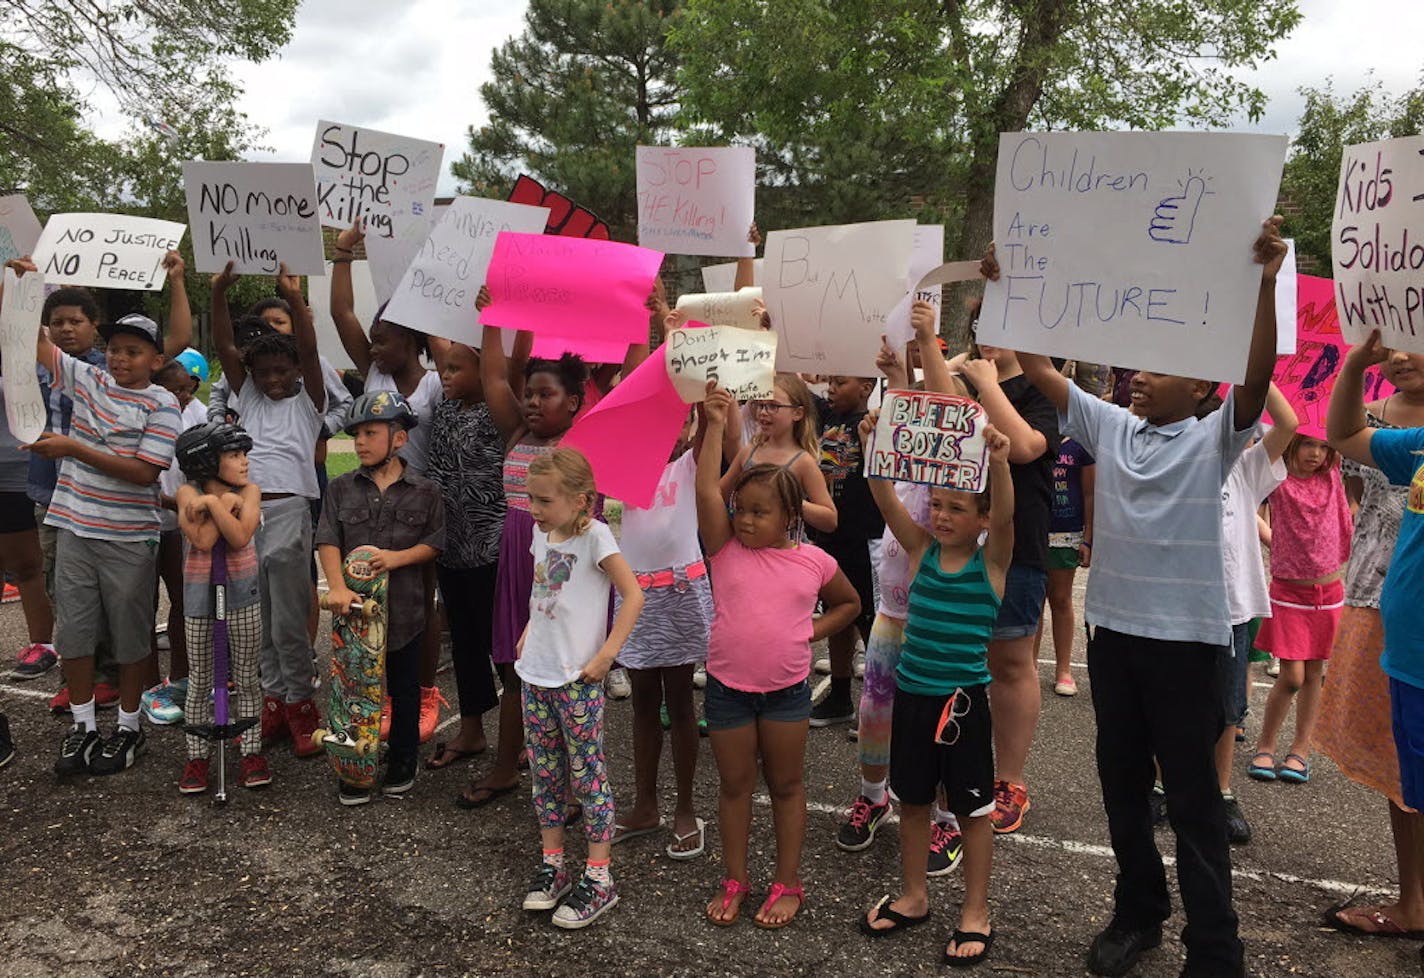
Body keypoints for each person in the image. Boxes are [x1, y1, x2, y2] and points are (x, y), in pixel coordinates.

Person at [1004, 217, 1286, 978]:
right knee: (1122, 788)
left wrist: (1263, 285)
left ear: (1202, 387)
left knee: (1193, 801)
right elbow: (1036, 365)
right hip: (1116, 638)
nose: (1139, 377)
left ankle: (1215, 948)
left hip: (1190, 644)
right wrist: (1013, 288)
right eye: (1137, 369)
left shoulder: (1217, 437)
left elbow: (1256, 380)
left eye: (1160, 369)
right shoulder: (1111, 425)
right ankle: (1139, 914)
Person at [10, 256, 182, 776]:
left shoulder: (163, 406)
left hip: (129, 538)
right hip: (73, 527)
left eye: (133, 352)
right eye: (115, 349)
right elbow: (34, 341)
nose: (120, 358)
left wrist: (73, 448)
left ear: (156, 360)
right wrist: (26, 285)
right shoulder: (88, 380)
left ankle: (129, 728)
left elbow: (144, 473)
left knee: (131, 639)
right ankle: (83, 726)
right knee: (76, 635)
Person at [697, 383, 861, 929]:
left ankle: (788, 880)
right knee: (735, 786)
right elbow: (706, 496)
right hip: (727, 690)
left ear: (790, 514)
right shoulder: (724, 548)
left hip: (787, 691)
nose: (744, 520)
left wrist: (809, 632)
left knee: (787, 786)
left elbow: (850, 604)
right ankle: (735, 878)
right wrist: (717, 425)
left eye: (758, 512)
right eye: (741, 510)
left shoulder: (812, 561)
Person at [857, 415, 1014, 969]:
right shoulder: (921, 548)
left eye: (957, 508)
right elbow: (886, 500)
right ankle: (914, 895)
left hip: (963, 704)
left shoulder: (990, 562)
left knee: (972, 811)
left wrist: (998, 460)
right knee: (914, 800)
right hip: (913, 697)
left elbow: (1009, 514)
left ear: (983, 519)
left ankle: (976, 910)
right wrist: (874, 447)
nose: (942, 516)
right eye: (938, 506)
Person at [458, 297, 591, 809]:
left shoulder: (583, 440)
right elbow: (494, 379)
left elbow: (627, 380)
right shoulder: (517, 430)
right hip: (517, 561)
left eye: (546, 394)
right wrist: (492, 318)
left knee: (564, 674)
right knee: (517, 666)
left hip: (563, 569)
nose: (533, 402)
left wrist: (647, 320)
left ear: (574, 402)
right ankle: (506, 766)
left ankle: (578, 785)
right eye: (530, 394)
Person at [331, 224, 449, 742]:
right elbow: (342, 315)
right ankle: (376, 690)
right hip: (376, 500)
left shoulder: (436, 381)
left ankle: (422, 693)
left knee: (422, 601)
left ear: (413, 340)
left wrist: (432, 285)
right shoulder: (373, 374)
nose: (375, 347)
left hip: (420, 499)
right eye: (374, 340)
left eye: (386, 339)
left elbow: (444, 342)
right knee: (375, 598)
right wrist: (342, 253)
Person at [516, 447, 643, 929]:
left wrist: (607, 655)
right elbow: (544, 591)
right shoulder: (539, 533)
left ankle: (599, 876)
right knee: (546, 775)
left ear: (581, 499)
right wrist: (530, 631)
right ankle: (553, 867)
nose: (535, 508)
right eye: (532, 498)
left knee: (588, 775)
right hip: (537, 673)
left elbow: (633, 595)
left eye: (545, 500)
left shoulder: (597, 538)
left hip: (576, 678)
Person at [1323, 333, 1424, 938]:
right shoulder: (1413, 444)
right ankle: (1414, 901)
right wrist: (1357, 365)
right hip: (1402, 634)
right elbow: (1344, 438)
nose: (1403, 356)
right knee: (1406, 770)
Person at [948, 299, 1060, 834]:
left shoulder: (1040, 385)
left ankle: (1010, 779)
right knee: (957, 657)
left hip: (1016, 545)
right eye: (981, 325)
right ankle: (962, 765)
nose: (986, 335)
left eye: (1000, 325)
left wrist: (986, 383)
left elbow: (1025, 446)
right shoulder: (964, 381)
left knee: (1011, 661)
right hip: (955, 540)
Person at [210, 262, 327, 757]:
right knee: (254, 617)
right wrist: (218, 294)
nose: (274, 379)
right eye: (264, 373)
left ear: (298, 369)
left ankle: (301, 703)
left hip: (288, 514)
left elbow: (312, 350)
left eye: (284, 370)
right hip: (244, 517)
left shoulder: (308, 402)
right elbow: (224, 348)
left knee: (288, 619)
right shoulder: (250, 398)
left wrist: (294, 300)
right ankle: (272, 699)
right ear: (250, 379)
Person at [317, 392, 445, 804]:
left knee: (405, 690)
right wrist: (336, 586)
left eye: (371, 433)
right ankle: (353, 764)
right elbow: (328, 539)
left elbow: (434, 544)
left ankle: (403, 757)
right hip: (354, 618)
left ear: (399, 439)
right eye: (356, 435)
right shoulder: (340, 489)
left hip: (405, 612)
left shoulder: (426, 491)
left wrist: (397, 558)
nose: (360, 442)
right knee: (352, 690)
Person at [610, 405, 722, 859]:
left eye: (679, 422)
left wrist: (707, 411)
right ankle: (645, 805)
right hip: (638, 595)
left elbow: (709, 428)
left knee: (679, 704)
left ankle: (686, 808)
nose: (668, 432)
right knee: (641, 704)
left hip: (679, 593)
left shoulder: (689, 464)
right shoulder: (627, 467)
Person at [1210, 384, 1297, 845]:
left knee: (1228, 708)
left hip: (1233, 608)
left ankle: (1222, 792)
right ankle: (1164, 783)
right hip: (1182, 608)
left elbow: (1289, 425)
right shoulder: (1186, 457)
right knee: (1173, 702)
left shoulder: (1246, 468)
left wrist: (1251, 369)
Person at [1247, 430, 1352, 785]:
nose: (1316, 454)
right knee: (1291, 676)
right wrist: (1271, 538)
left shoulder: (1331, 475)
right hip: (1289, 592)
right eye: (1309, 444)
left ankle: (1300, 749)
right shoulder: (1278, 477)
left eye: (1324, 447)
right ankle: (1266, 743)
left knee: (1315, 676)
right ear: (1293, 443)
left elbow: (1346, 517)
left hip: (1329, 592)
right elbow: (1249, 504)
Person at [423, 340, 506, 770]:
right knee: (466, 645)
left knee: (504, 645)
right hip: (451, 548)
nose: (446, 374)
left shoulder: (499, 413)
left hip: (492, 548)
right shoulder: (445, 412)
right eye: (444, 367)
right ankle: (471, 729)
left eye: (457, 368)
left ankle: (523, 734)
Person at [172, 421, 267, 792]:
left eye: (245, 454)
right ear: (207, 462)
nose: (244, 462)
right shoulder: (185, 493)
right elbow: (202, 539)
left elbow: (240, 536)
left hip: (243, 598)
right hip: (199, 602)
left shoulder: (252, 491)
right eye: (234, 455)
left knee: (246, 679)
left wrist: (214, 503)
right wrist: (219, 501)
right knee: (200, 682)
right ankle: (197, 756)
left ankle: (252, 752)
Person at [808, 374, 884, 727]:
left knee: (871, 622)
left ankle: (879, 702)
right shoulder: (827, 417)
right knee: (837, 615)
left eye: (841, 382)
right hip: (831, 538)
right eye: (830, 383)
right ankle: (839, 697)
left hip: (865, 537)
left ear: (866, 388)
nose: (831, 389)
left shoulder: (871, 424)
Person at [139, 358, 210, 725]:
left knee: (185, 601)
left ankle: (182, 677)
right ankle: (148, 684)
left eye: (187, 388)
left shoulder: (194, 416)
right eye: (175, 388)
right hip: (148, 523)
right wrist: (178, 503)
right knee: (144, 606)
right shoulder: (144, 415)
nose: (183, 395)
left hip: (181, 526)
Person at [719, 372, 837, 536]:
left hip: (785, 553)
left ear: (797, 413)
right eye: (760, 405)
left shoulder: (803, 462)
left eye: (773, 406)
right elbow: (718, 495)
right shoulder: (749, 451)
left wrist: (793, 501)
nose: (763, 412)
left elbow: (830, 519)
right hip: (746, 546)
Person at [1040, 435, 1093, 697]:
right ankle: (1028, 666)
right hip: (1033, 529)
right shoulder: (1034, 433)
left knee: (1060, 599)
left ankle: (1064, 669)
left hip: (1067, 532)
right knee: (1033, 601)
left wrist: (1089, 538)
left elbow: (1090, 493)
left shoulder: (1080, 442)